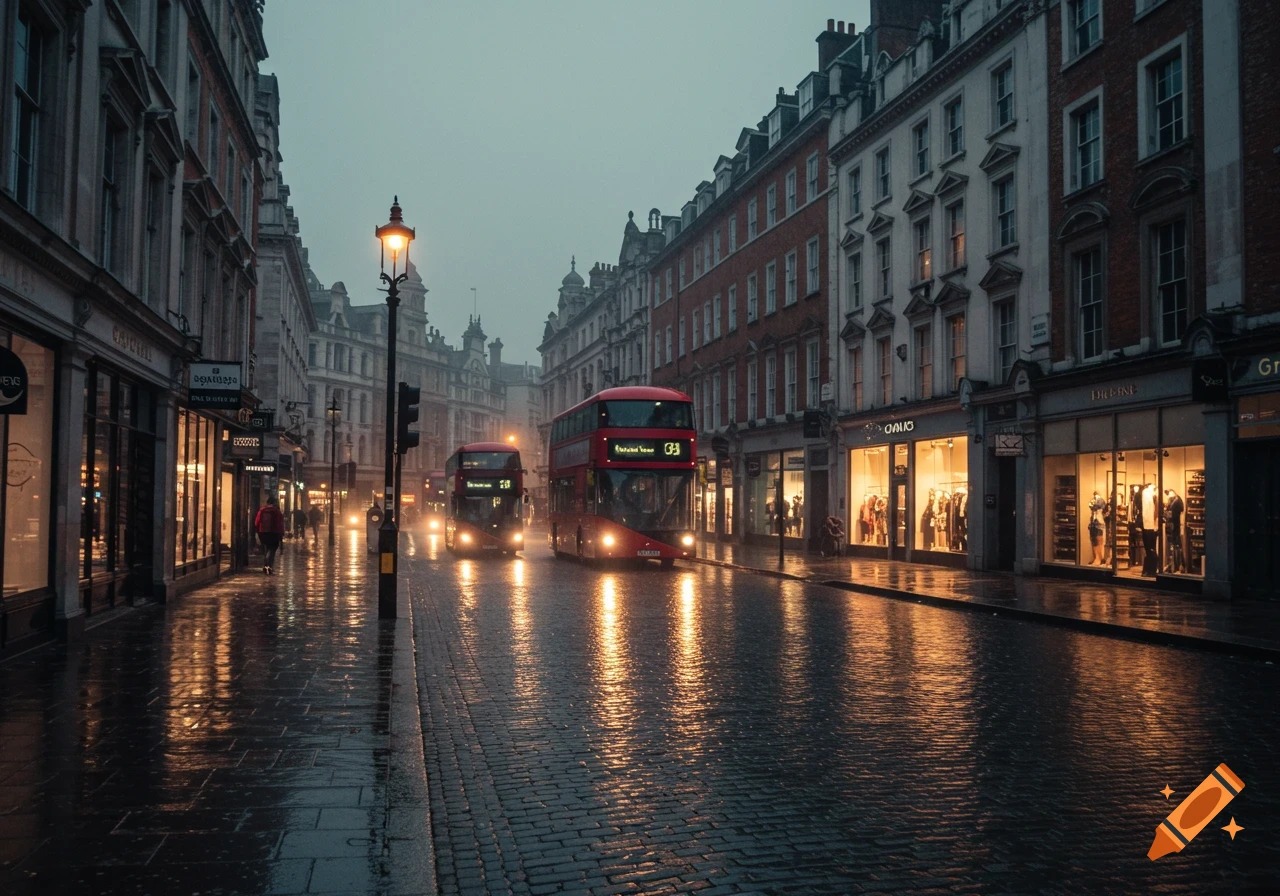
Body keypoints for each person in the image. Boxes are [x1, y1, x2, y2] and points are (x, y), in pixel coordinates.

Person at [254, 496, 286, 574]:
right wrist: (281, 533)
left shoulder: (262, 510)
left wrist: (258, 532)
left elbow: (256, 522)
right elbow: (280, 524)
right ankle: (269, 566)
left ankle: (266, 566)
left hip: (263, 532)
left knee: (266, 549)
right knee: (272, 549)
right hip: (274, 533)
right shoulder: (277, 511)